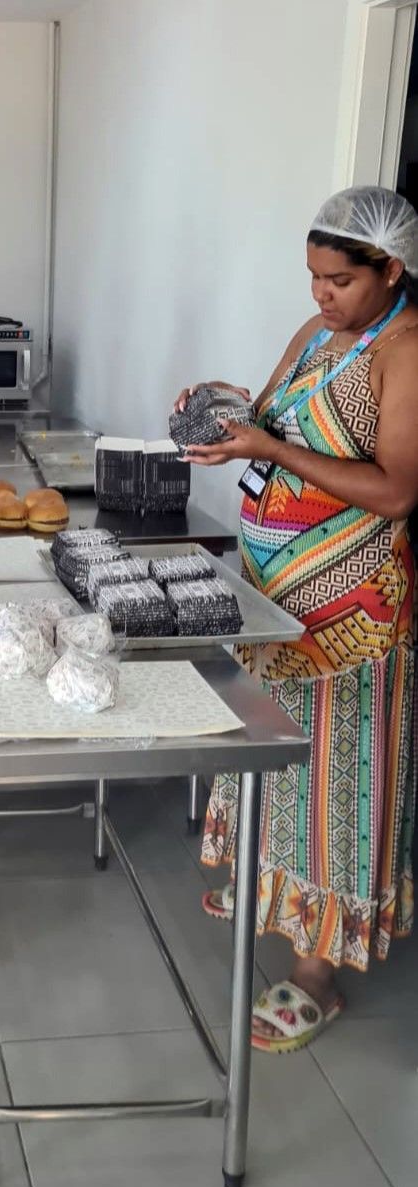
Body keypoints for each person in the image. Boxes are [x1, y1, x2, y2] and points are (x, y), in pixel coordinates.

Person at [176, 186, 417, 1054]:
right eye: (313, 277)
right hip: (275, 598)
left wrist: (269, 449)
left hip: (350, 612)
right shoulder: (317, 334)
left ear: (391, 270)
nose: (322, 295)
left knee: (334, 776)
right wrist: (223, 411)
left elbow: (396, 491)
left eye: (341, 280)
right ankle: (268, 883)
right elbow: (269, 411)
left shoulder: (406, 353)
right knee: (271, 754)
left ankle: (319, 969)